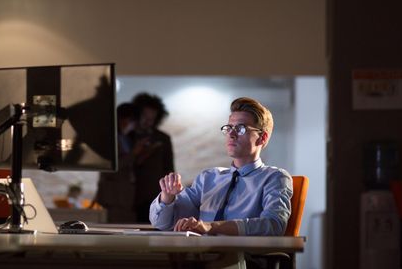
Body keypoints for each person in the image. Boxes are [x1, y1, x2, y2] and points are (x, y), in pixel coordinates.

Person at [149, 97, 293, 236]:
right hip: (200, 255)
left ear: (262, 138)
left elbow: (274, 225)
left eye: (241, 128)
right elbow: (162, 224)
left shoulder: (275, 177)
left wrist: (211, 227)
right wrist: (168, 198)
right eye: (229, 128)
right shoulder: (208, 178)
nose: (231, 134)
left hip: (242, 257)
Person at [131, 93, 175, 223]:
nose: (147, 121)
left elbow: (169, 168)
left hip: (154, 196)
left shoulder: (163, 138)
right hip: (128, 198)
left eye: (152, 118)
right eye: (144, 116)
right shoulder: (127, 136)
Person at [94, 102, 140, 222]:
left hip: (126, 194)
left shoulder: (126, 138)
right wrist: (134, 153)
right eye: (131, 120)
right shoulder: (110, 138)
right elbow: (109, 166)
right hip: (113, 195)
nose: (133, 125)